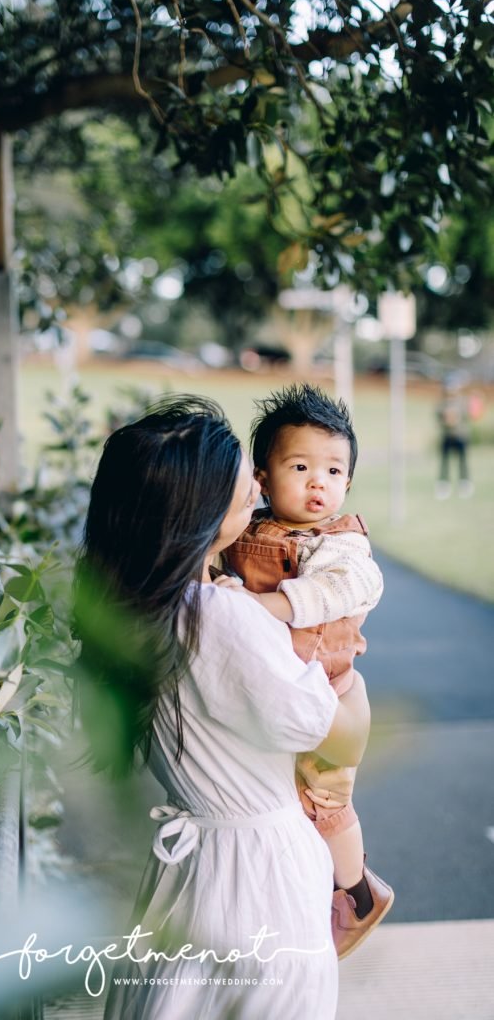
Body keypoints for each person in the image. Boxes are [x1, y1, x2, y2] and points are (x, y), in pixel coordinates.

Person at [73, 396, 370, 1019]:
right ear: (199, 510)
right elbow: (336, 736)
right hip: (259, 881)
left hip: (187, 874)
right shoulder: (222, 617)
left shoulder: (136, 609)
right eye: (244, 483)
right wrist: (350, 684)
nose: (256, 489)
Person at [222, 384, 393, 960]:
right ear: (263, 480)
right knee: (285, 804)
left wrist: (260, 605)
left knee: (324, 801)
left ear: (347, 483)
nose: (319, 482)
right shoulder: (244, 530)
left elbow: (345, 590)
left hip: (335, 697)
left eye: (334, 470)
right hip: (281, 696)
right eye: (300, 466)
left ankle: (358, 892)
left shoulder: (339, 544)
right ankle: (307, 896)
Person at [435, 375, 474, 499]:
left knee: (463, 462)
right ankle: (443, 485)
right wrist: (446, 419)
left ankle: (465, 484)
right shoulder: (442, 404)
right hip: (447, 436)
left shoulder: (462, 402)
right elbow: (439, 418)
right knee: (444, 462)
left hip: (460, 436)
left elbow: (469, 415)